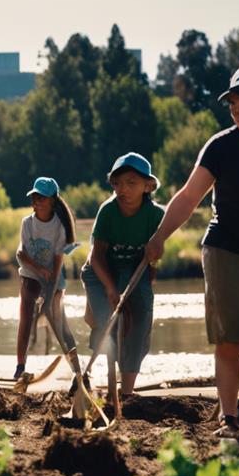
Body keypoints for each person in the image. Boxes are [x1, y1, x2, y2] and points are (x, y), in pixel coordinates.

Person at [145, 64, 239, 437]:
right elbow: (187, 198)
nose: (237, 109)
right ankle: (229, 418)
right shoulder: (221, 146)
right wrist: (159, 235)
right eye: (233, 103)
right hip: (226, 251)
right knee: (233, 340)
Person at [84, 153, 164, 404]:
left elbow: (153, 259)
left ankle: (126, 393)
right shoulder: (108, 211)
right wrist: (110, 290)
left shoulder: (155, 215)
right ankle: (108, 387)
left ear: (147, 186)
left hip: (134, 272)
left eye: (131, 183)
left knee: (139, 321)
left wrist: (145, 287)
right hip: (100, 272)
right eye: (117, 183)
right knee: (110, 323)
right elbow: (96, 257)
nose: (123, 189)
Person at [14, 177, 82, 385]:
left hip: (53, 276)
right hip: (31, 273)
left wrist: (48, 294)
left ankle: (78, 374)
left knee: (61, 327)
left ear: (52, 200)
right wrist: (38, 269)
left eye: (41, 198)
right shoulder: (27, 223)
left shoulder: (59, 227)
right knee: (26, 316)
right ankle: (20, 367)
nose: (37, 202)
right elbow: (21, 255)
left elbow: (57, 265)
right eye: (34, 198)